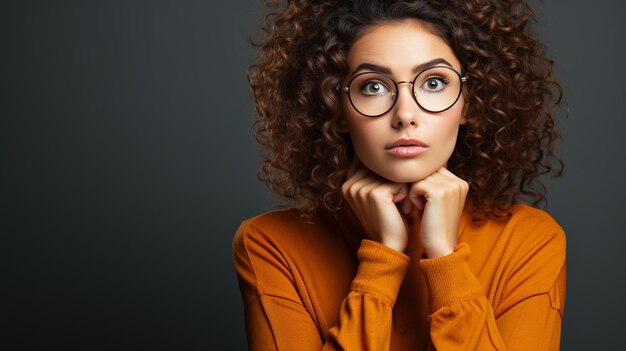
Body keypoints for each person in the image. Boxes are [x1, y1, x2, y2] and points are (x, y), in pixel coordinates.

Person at [233, 0, 566, 350]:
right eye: (374, 86)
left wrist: (444, 258)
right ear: (337, 107)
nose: (405, 114)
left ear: (469, 101)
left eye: (434, 82)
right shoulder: (272, 244)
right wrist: (382, 258)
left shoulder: (530, 242)